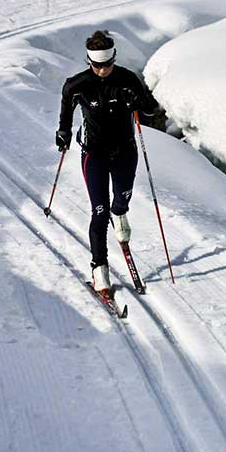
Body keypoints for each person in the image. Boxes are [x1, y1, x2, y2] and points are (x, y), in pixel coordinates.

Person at [56, 30, 155, 294]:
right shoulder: (77, 84)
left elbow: (150, 108)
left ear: (114, 58)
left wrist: (139, 102)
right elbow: (66, 105)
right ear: (89, 62)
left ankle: (120, 213)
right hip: (94, 155)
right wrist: (63, 131)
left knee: (121, 198)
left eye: (107, 64)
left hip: (125, 151)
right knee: (98, 212)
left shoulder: (126, 79)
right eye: (97, 65)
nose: (102, 70)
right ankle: (100, 269)